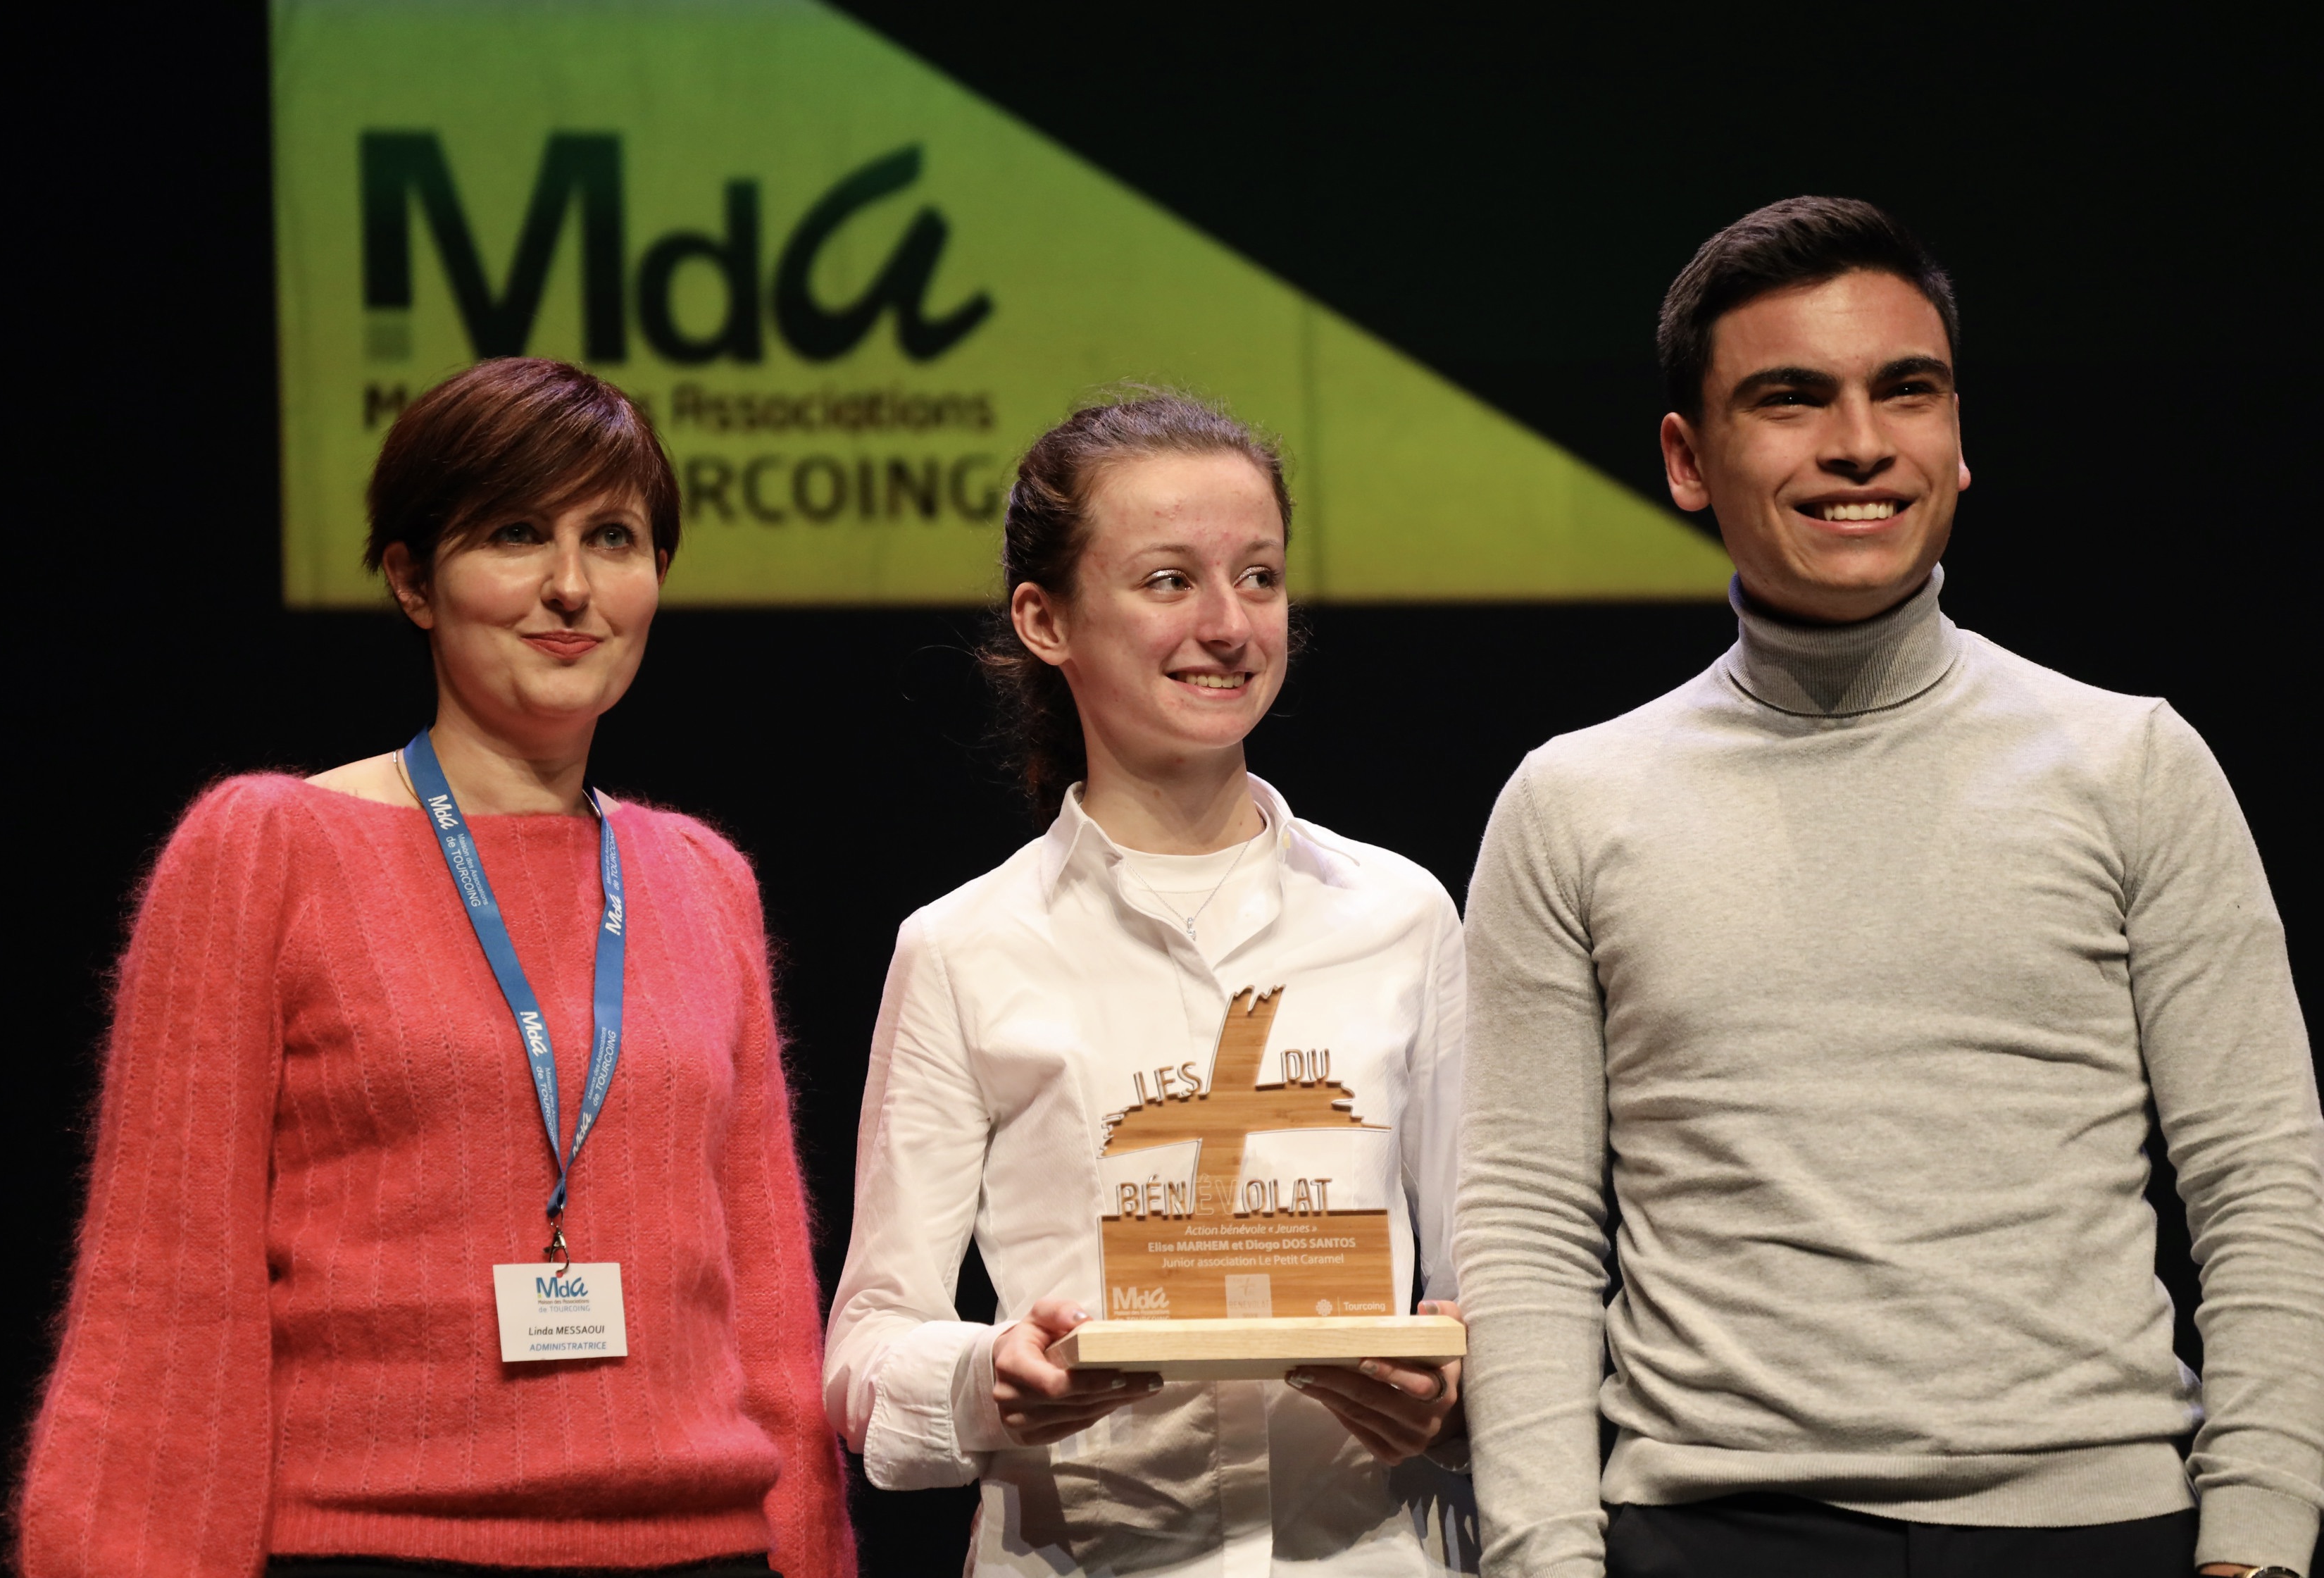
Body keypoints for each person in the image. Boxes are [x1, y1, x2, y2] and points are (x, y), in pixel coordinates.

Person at [1454, 196, 2324, 1578]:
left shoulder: (2135, 764)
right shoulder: (1573, 803)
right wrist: (1543, 1556)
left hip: (2095, 1527)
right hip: (1713, 1531)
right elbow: (1527, 1228)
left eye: (1905, 390)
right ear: (1687, 458)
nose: (1859, 443)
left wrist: (2261, 1540)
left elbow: (2259, 1179)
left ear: (1957, 435)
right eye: (1792, 398)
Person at [16, 359, 853, 1578]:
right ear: (414, 580)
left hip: (702, 1550)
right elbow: (166, 1302)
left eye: (612, 538)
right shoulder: (268, 848)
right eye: (516, 534)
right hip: (378, 1546)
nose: (570, 586)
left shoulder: (700, 879)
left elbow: (768, 1308)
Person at [822, 393, 1478, 1576]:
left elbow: (1492, 1280)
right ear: (1046, 619)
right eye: (1169, 581)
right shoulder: (965, 946)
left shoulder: (1402, 915)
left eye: (1260, 577)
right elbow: (866, 1351)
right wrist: (988, 1378)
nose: (1228, 625)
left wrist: (1453, 1396)